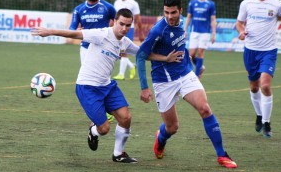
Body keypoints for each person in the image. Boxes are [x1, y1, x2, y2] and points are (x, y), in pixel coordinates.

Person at [31, 8, 182, 163]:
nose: (124, 28)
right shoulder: (101, 34)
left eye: (128, 25)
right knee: (104, 129)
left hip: (107, 86)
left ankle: (118, 154)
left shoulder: (124, 42)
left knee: (126, 118)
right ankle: (93, 131)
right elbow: (74, 34)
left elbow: (143, 54)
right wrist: (49, 31)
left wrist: (166, 58)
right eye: (121, 24)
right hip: (87, 87)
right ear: (114, 21)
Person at [136, 0, 237, 169]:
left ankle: (222, 155)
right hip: (163, 81)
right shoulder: (158, 31)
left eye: (173, 12)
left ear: (180, 11)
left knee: (205, 109)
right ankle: (161, 138)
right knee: (172, 127)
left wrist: (189, 61)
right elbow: (140, 56)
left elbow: (180, 45)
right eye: (166, 12)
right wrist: (145, 87)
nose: (169, 16)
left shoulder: (183, 22)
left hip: (184, 75)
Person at [236, 0, 281, 138]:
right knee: (254, 87)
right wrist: (241, 31)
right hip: (250, 51)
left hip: (269, 51)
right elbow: (239, 23)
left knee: (265, 85)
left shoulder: (278, 5)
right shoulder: (247, 3)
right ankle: (259, 115)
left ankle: (266, 123)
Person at [69, 0, 116, 122]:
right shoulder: (78, 9)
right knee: (89, 80)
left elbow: (119, 22)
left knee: (102, 78)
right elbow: (71, 29)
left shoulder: (107, 7)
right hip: (85, 49)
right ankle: (101, 110)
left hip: (103, 50)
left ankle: (105, 108)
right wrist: (76, 30)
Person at [183, 0, 217, 78]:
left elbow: (213, 19)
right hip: (194, 31)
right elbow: (189, 17)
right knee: (191, 54)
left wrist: (213, 33)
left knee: (200, 52)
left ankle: (197, 76)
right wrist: (185, 29)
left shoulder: (210, 4)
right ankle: (200, 67)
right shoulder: (193, 3)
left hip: (205, 32)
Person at [113, 0, 144, 80]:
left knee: (123, 51)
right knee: (118, 52)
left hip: (129, 29)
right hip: (117, 28)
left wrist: (141, 32)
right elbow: (115, 17)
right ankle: (131, 66)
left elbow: (138, 18)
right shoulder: (116, 3)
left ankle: (121, 74)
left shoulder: (133, 3)